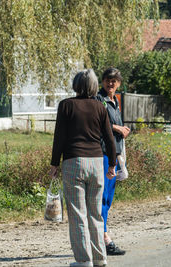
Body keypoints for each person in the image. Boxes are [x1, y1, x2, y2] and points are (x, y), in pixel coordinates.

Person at [50, 69, 117, 267]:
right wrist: (112, 164)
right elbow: (109, 138)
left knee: (78, 214)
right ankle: (100, 258)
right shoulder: (100, 106)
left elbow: (59, 136)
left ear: (76, 85)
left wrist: (54, 163)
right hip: (97, 163)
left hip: (73, 163)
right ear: (95, 86)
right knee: (95, 214)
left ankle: (83, 260)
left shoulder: (66, 105)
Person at [95, 67, 130, 256]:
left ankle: (103, 235)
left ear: (119, 83)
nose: (111, 83)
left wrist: (122, 129)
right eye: (108, 80)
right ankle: (104, 238)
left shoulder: (115, 101)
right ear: (102, 81)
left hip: (114, 154)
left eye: (115, 80)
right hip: (102, 154)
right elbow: (98, 124)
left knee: (108, 198)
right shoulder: (98, 100)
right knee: (101, 197)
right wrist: (117, 128)